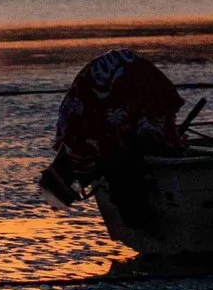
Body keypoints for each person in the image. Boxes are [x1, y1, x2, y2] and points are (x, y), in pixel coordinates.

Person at [37, 47, 184, 205]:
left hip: (128, 82)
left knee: (129, 153)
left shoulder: (83, 141)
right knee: (125, 152)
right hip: (122, 81)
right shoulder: (76, 136)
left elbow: (104, 164)